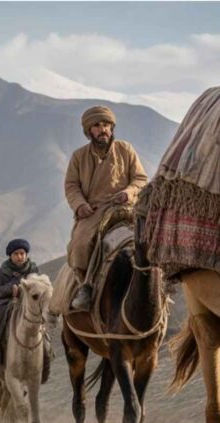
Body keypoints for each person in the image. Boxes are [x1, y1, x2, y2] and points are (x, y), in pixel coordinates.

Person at [64, 105, 148, 311]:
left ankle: (162, 279)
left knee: (152, 234)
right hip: (95, 210)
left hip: (126, 207)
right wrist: (80, 205)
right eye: (98, 126)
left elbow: (140, 178)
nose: (103, 130)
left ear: (112, 127)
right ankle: (85, 285)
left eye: (107, 125)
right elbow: (71, 186)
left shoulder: (125, 149)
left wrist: (129, 192)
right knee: (81, 244)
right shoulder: (79, 157)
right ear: (89, 131)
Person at [0, 239, 39, 368]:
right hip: (6, 301)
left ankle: (46, 353)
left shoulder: (33, 269)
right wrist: (11, 288)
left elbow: (38, 285)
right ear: (10, 256)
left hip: (29, 300)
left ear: (26, 254)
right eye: (16, 254)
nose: (20, 257)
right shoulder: (0, 272)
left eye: (22, 253)